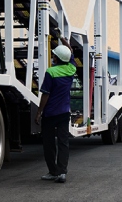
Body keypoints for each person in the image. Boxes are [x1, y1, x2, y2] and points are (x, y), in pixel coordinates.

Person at [35, 32, 76, 184]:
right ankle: (62, 173)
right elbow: (70, 50)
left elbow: (45, 95)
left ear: (57, 58)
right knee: (64, 143)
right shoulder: (71, 69)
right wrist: (62, 38)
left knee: (49, 144)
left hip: (50, 114)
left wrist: (39, 112)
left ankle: (53, 172)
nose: (52, 57)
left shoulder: (50, 72)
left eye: (54, 55)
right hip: (65, 113)